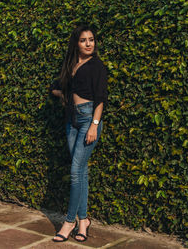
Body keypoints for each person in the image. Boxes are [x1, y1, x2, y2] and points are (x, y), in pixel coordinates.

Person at [51, 25, 108, 242]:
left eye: (91, 39)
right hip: (71, 120)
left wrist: (94, 124)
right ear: (76, 43)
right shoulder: (72, 65)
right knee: (81, 172)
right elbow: (56, 87)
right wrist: (65, 95)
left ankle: (69, 221)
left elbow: (101, 98)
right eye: (84, 40)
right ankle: (83, 221)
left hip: (88, 120)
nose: (88, 43)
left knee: (75, 171)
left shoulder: (97, 66)